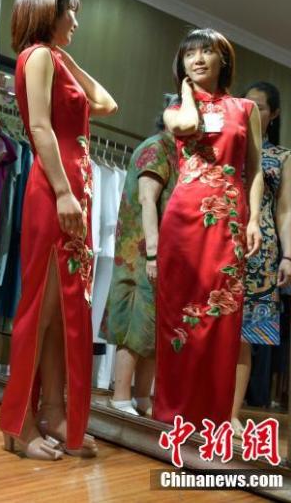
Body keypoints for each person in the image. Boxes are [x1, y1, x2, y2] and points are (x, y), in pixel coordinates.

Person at [0, 0, 118, 460]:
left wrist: (71, 61)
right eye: (72, 13)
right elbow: (40, 126)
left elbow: (106, 103)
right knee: (41, 311)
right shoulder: (38, 57)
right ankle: (18, 423)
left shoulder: (55, 59)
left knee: (60, 311)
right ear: (49, 11)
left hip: (72, 189)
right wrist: (65, 192)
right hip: (55, 190)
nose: (76, 22)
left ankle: (52, 410)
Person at [154, 28, 263, 428]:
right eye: (190, 55)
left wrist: (254, 218)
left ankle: (212, 419)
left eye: (206, 52)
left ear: (223, 60)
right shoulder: (174, 108)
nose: (198, 59)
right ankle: (172, 416)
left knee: (221, 316)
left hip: (228, 219)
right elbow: (185, 125)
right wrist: (187, 93)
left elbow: (254, 169)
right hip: (183, 219)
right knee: (177, 316)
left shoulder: (245, 109)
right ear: (181, 66)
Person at [100, 104, 177, 417]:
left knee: (152, 326)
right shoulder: (156, 148)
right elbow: (147, 199)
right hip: (142, 252)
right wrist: (154, 252)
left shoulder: (173, 151)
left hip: (156, 252)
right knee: (135, 323)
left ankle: (143, 397)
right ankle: (121, 396)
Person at [231, 81, 291, 429]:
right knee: (208, 326)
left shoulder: (283, 156)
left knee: (245, 334)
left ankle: (230, 414)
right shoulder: (226, 144)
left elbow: (285, 210)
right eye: (247, 104)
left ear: (275, 114)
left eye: (261, 107)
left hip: (261, 249)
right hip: (218, 238)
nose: (252, 111)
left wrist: (289, 256)